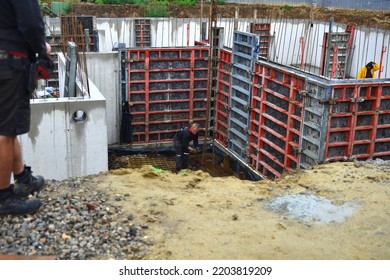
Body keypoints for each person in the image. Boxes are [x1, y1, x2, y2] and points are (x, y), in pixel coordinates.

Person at [0, 0, 50, 215]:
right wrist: (41, 47)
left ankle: (22, 178)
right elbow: (31, 24)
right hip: (9, 61)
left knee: (7, 125)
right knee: (5, 132)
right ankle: (4, 197)